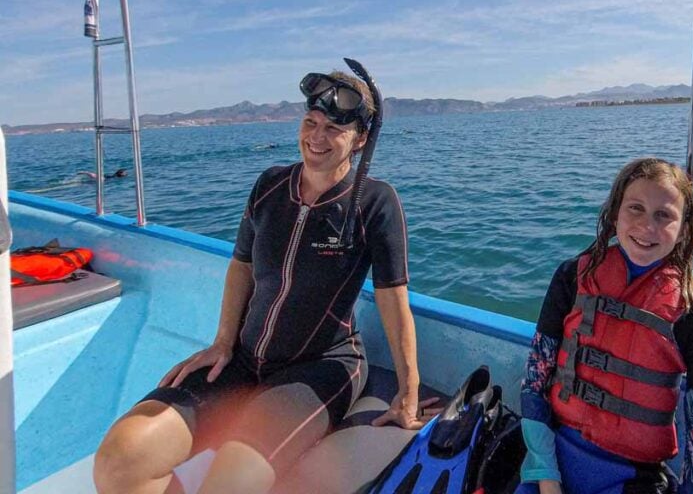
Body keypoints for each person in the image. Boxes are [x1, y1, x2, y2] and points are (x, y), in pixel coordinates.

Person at [94, 68, 436, 494]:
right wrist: (223, 341)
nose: (317, 137)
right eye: (311, 123)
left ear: (361, 139)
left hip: (321, 367)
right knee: (119, 461)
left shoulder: (374, 202)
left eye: (334, 128)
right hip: (242, 359)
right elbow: (241, 266)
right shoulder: (271, 185)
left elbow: (393, 300)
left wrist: (408, 390)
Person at [518, 158, 693, 494]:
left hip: (633, 478)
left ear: (684, 228)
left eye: (664, 215)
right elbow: (534, 383)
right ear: (615, 214)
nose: (647, 226)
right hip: (550, 459)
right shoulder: (571, 278)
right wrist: (546, 477)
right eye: (636, 209)